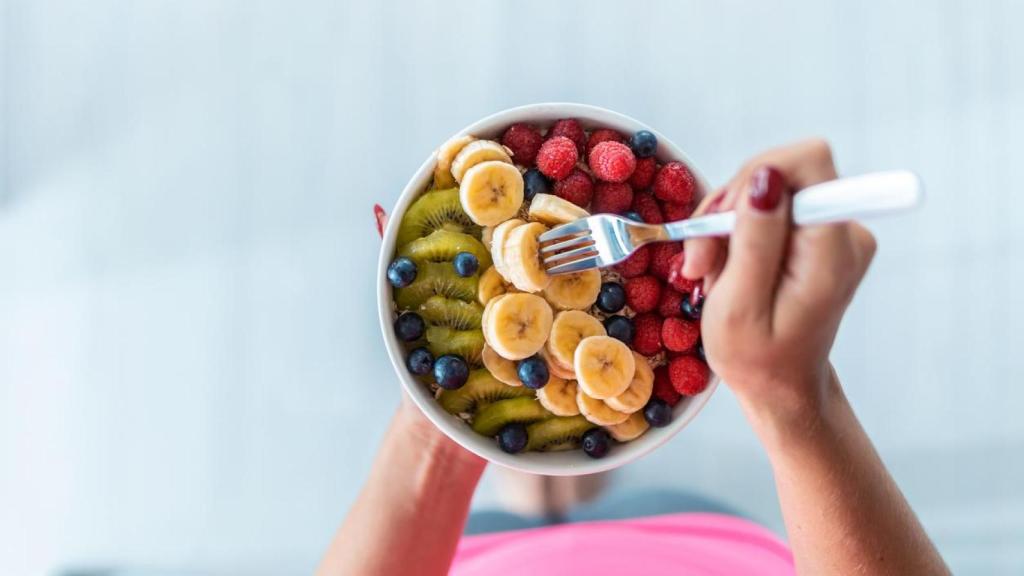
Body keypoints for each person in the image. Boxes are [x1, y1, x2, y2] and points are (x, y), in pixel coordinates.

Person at [318, 140, 950, 575]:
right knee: (581, 419)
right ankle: (557, 462)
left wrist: (439, 429)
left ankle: (534, 466)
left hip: (471, 553)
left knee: (543, 419)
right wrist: (795, 402)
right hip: (696, 535)